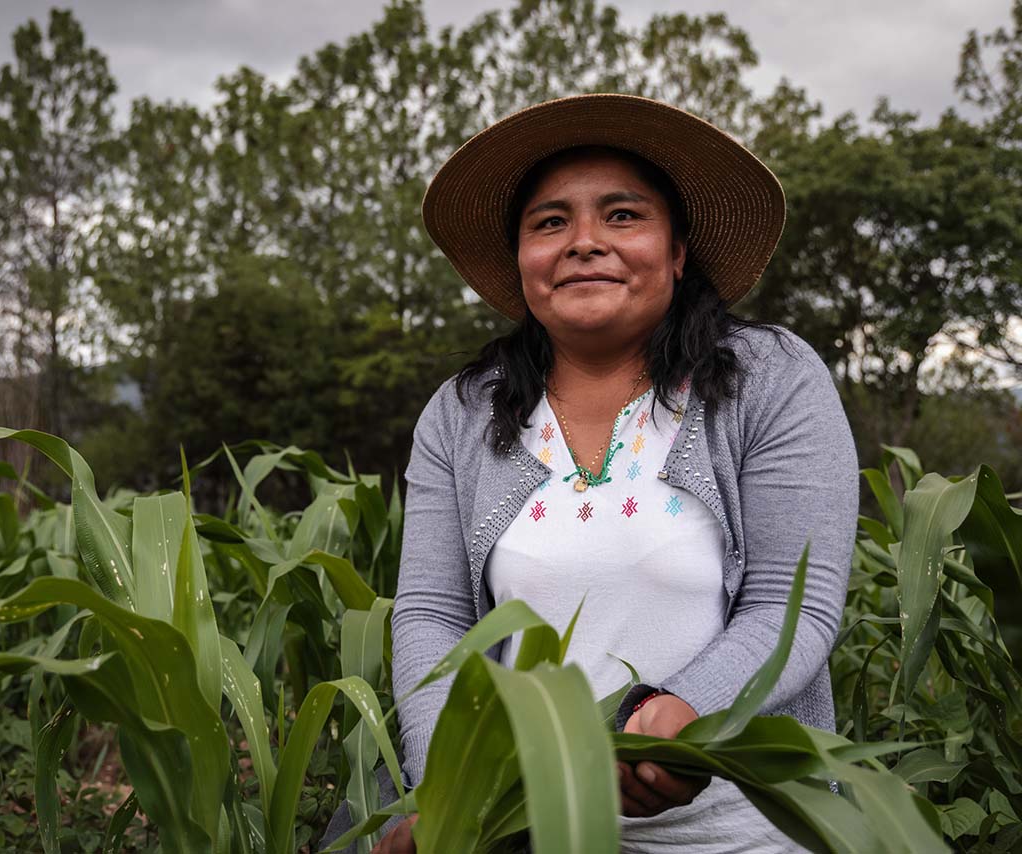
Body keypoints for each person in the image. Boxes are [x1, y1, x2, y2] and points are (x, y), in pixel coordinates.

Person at [321, 94, 858, 853]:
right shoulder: (462, 413)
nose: (583, 242)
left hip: (744, 826)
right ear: (521, 259)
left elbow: (790, 606)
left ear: (676, 252)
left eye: (623, 215)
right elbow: (432, 619)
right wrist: (447, 789)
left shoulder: (768, 379)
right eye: (549, 222)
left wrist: (685, 711)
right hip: (527, 819)